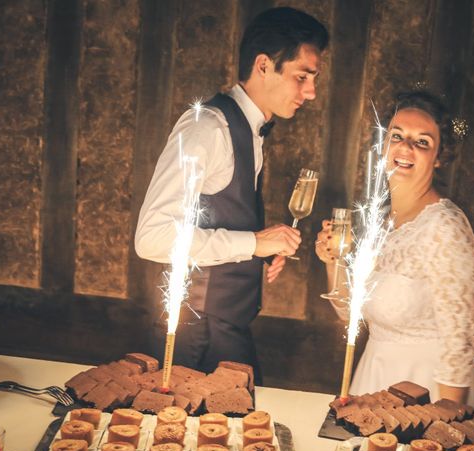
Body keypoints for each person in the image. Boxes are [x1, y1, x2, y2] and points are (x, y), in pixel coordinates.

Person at [135, 7, 329, 384]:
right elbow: (152, 237)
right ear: (263, 65)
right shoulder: (208, 128)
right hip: (196, 336)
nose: (311, 92)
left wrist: (258, 251)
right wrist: (253, 242)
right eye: (302, 77)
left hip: (226, 327)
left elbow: (221, 214)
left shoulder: (250, 127)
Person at [315, 90, 474, 407]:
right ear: (383, 146)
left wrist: (445, 420)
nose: (406, 147)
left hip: (431, 392)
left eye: (422, 142)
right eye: (397, 136)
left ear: (439, 157)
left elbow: (459, 340)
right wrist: (333, 261)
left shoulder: (445, 227)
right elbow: (350, 315)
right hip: (373, 379)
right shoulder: (380, 223)